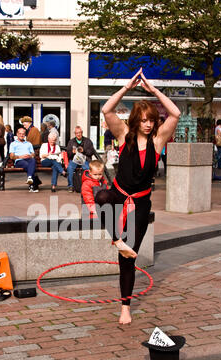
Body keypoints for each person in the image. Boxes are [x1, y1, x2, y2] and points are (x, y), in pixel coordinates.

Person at [95, 68, 180, 325]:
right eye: (143, 119)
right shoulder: (123, 135)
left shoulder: (158, 142)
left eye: (151, 119)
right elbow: (107, 110)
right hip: (119, 195)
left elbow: (175, 113)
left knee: (127, 258)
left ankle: (125, 307)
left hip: (140, 203)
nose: (147, 123)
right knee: (100, 197)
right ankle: (116, 239)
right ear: (136, 120)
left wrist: (153, 91)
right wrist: (126, 88)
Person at [66, 126, 95, 192]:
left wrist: (83, 150)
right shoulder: (71, 142)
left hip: (84, 160)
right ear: (75, 134)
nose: (78, 134)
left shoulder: (87, 141)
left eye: (79, 132)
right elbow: (68, 154)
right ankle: (70, 186)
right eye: (77, 133)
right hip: (74, 160)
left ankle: (89, 185)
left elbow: (91, 152)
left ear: (82, 133)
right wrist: (72, 152)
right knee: (70, 168)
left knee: (87, 168)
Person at [9, 127, 38, 192]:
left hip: (29, 159)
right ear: (17, 134)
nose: (22, 135)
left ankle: (30, 178)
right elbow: (11, 156)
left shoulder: (28, 143)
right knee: (28, 165)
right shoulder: (13, 144)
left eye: (23, 134)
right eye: (20, 134)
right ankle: (32, 184)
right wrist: (21, 157)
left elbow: (33, 154)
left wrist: (30, 155)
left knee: (33, 160)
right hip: (19, 161)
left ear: (25, 135)